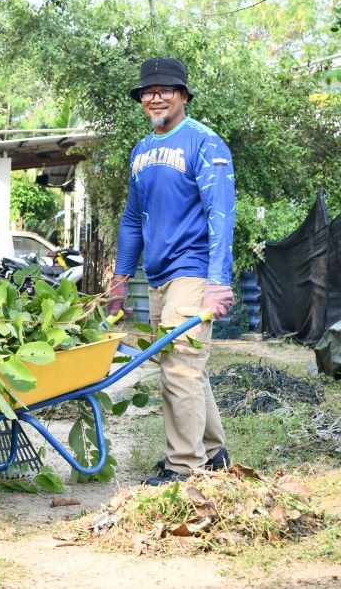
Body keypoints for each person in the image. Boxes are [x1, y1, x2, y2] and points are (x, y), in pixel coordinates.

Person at [106, 56, 235, 487]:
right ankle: (213, 453)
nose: (155, 96)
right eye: (147, 91)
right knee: (185, 363)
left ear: (183, 95)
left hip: (194, 270)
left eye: (164, 89)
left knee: (180, 366)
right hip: (158, 274)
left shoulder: (205, 144)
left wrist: (218, 283)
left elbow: (221, 215)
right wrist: (121, 279)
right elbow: (130, 218)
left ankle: (184, 468)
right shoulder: (141, 151)